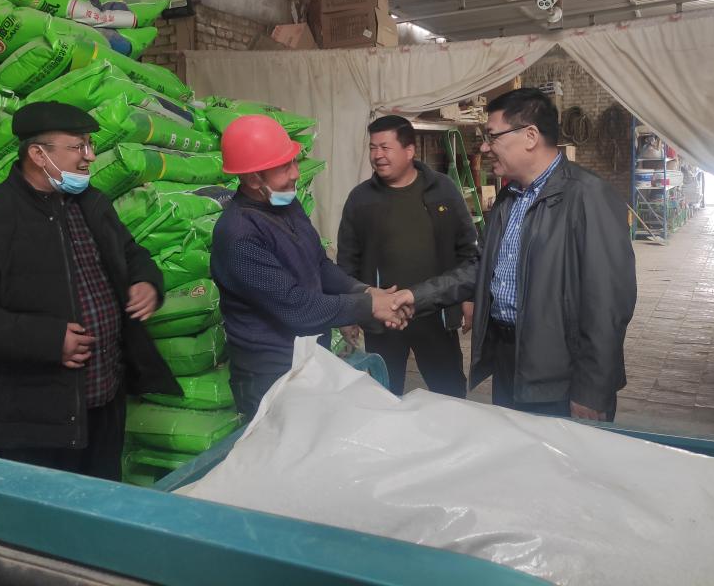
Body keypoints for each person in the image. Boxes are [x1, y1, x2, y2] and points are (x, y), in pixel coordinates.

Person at [0, 101, 181, 480]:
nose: (90, 156)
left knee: (99, 501)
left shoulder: (92, 205)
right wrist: (47, 339)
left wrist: (146, 281)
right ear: (37, 154)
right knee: (41, 508)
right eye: (78, 146)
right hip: (30, 415)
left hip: (103, 401)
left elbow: (131, 254)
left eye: (90, 145)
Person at [391, 88, 636, 421]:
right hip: (509, 359)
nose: (484, 147)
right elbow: (481, 270)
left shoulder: (589, 197)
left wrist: (592, 390)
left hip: (560, 374)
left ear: (530, 136)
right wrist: (415, 296)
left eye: (492, 136)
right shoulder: (509, 198)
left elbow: (608, 304)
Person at [210, 114, 409, 417]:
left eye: (293, 162)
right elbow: (297, 308)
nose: (295, 173)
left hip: (310, 359)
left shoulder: (285, 203)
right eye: (283, 167)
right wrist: (368, 306)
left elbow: (318, 264)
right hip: (271, 376)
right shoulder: (238, 235)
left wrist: (365, 291)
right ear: (252, 178)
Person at [337, 115, 478, 398]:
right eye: (373, 147)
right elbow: (348, 259)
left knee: (450, 394)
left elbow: (467, 248)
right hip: (384, 320)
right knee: (384, 395)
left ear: (409, 150)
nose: (377, 155)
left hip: (435, 315)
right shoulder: (361, 199)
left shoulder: (442, 189)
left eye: (385, 147)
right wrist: (349, 311)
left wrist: (469, 298)